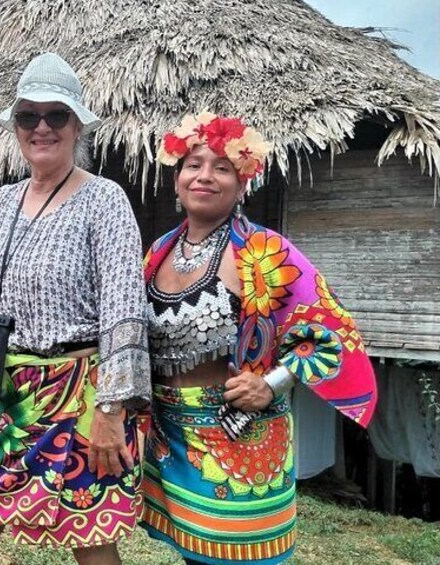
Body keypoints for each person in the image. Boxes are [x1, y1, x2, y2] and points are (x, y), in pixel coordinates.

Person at [0, 52, 150, 565]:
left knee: (90, 537)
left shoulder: (104, 199)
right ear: (15, 127)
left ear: (77, 125)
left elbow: (124, 307)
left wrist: (111, 410)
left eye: (56, 115)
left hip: (80, 392)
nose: (42, 127)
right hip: (5, 392)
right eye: (28, 116)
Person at [139, 112, 378, 564]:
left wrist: (271, 384)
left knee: (243, 557)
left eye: (222, 167)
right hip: (170, 435)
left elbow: (330, 334)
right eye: (193, 164)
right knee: (194, 554)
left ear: (242, 182)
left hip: (242, 436)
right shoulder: (157, 252)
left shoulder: (267, 252)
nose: (204, 176)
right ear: (177, 178)